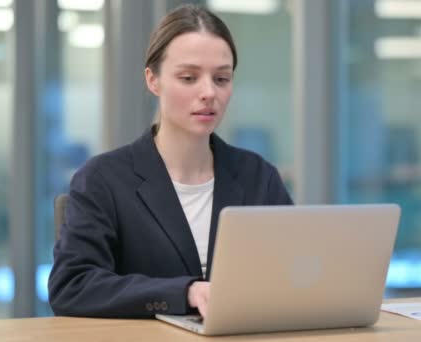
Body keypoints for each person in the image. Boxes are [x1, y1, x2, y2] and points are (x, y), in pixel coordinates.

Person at [48, 4, 293, 318]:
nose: (208, 92)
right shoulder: (103, 179)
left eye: (221, 79)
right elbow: (73, 285)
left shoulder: (258, 176)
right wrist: (186, 292)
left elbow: (293, 273)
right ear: (153, 80)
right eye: (189, 77)